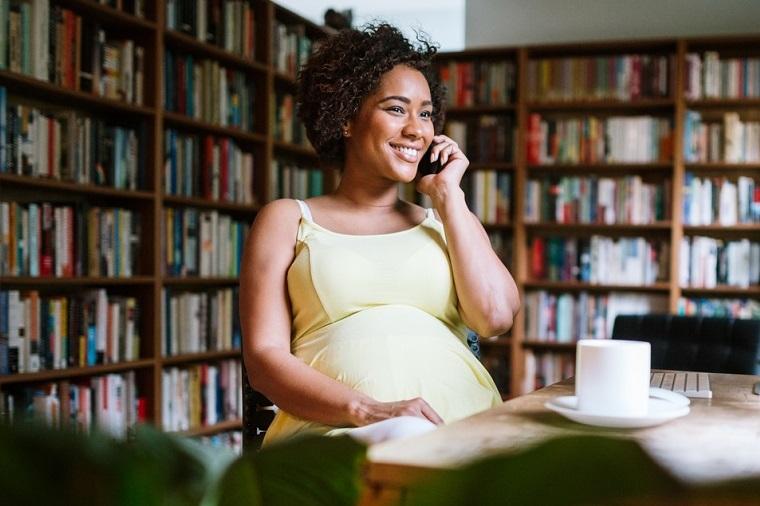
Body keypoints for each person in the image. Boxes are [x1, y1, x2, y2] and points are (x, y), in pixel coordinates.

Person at [239, 23, 520, 446]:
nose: (417, 129)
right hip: (339, 432)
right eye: (396, 109)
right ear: (347, 117)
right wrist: (368, 410)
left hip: (463, 431)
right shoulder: (287, 220)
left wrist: (448, 196)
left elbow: (495, 318)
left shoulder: (447, 220)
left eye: (425, 113)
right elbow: (264, 359)